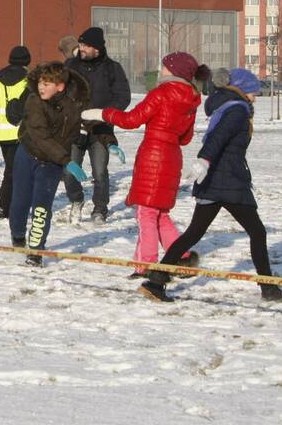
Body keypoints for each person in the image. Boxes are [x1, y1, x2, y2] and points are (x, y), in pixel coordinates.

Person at [138, 68, 282, 304]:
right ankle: (269, 289)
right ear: (242, 89)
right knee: (257, 232)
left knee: (193, 233)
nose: (255, 96)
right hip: (228, 181)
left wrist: (206, 164)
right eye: (253, 91)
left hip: (215, 181)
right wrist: (203, 159)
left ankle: (155, 282)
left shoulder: (226, 107)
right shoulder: (237, 110)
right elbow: (218, 138)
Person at [85, 52, 207, 278]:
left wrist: (103, 113)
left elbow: (131, 120)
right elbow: (186, 138)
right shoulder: (192, 98)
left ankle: (145, 265)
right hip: (172, 157)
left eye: (164, 67)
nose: (160, 70)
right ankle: (182, 258)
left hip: (154, 156)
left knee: (146, 214)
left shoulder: (161, 93)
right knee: (160, 212)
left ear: (173, 71)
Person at [9, 62, 89, 266]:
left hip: (52, 164)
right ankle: (18, 235)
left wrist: (109, 141)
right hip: (27, 155)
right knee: (20, 201)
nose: (41, 87)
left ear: (60, 87)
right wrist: (67, 160)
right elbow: (40, 136)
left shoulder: (74, 105)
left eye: (47, 84)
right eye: (40, 83)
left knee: (41, 208)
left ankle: (36, 252)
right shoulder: (34, 101)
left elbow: (92, 122)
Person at [63, 26, 131, 224]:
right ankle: (76, 200)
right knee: (68, 171)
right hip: (75, 129)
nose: (81, 48)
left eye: (85, 45)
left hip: (101, 131)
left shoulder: (113, 68)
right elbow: (61, 93)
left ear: (97, 49)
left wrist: (103, 114)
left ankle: (100, 209)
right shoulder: (71, 65)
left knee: (100, 172)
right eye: (80, 44)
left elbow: (123, 97)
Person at [0, 45, 30, 219]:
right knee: (13, 171)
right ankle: (5, 207)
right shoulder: (27, 80)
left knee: (12, 169)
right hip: (18, 131)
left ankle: (8, 206)